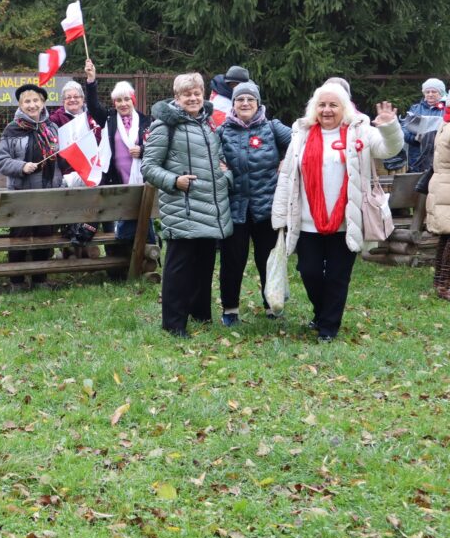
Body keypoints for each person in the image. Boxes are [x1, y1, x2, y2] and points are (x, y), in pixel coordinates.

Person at [272, 83, 402, 342]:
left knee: (337, 276)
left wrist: (389, 127)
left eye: (333, 105)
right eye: (322, 105)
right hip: (308, 222)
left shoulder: (359, 132)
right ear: (314, 108)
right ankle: (322, 313)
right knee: (308, 272)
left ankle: (328, 327)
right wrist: (280, 214)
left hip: (346, 221)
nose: (327, 110)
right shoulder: (302, 134)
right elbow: (288, 176)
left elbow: (390, 150)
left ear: (344, 108)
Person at [142, 72, 233, 338]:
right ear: (177, 96)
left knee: (204, 266)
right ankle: (174, 323)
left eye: (197, 93)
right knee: (178, 270)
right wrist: (174, 180)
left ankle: (201, 314)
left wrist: (225, 175)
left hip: (209, 208)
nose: (193, 98)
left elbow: (219, 159)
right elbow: (148, 167)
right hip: (183, 209)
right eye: (186, 94)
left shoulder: (208, 124)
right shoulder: (164, 126)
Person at [216, 81, 292, 326]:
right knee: (232, 261)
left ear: (258, 103)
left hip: (266, 207)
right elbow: (209, 154)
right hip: (234, 206)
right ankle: (230, 309)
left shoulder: (272, 128)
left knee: (267, 259)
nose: (245, 103)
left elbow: (300, 145)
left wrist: (285, 165)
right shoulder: (222, 131)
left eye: (250, 99)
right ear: (234, 104)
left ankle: (272, 305)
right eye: (240, 100)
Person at [0, 83, 63, 289]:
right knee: (19, 236)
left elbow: (61, 157)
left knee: (45, 234)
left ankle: (40, 278)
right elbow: (0, 161)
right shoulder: (11, 130)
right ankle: (17, 279)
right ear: (21, 105)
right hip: (21, 194)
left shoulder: (52, 128)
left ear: (42, 103)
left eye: (36, 101)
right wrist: (21, 166)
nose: (32, 105)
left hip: (48, 191)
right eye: (27, 101)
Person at [82, 58, 155, 244]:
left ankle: (145, 256)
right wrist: (91, 81)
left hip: (141, 178)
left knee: (143, 220)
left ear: (133, 101)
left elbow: (156, 148)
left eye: (126, 99)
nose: (123, 104)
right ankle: (117, 259)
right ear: (114, 103)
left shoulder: (147, 121)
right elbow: (92, 105)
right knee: (118, 224)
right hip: (115, 177)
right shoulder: (108, 118)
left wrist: (143, 150)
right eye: (118, 100)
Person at [425, 103, 450, 300]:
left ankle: (440, 281)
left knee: (446, 236)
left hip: (442, 184)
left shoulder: (445, 123)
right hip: (447, 186)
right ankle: (445, 285)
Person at [402, 78, 446, 173]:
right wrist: (415, 138)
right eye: (427, 91)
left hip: (440, 157)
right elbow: (404, 131)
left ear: (441, 93)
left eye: (434, 91)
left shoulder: (446, 111)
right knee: (417, 186)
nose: (430, 94)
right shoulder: (415, 109)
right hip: (416, 158)